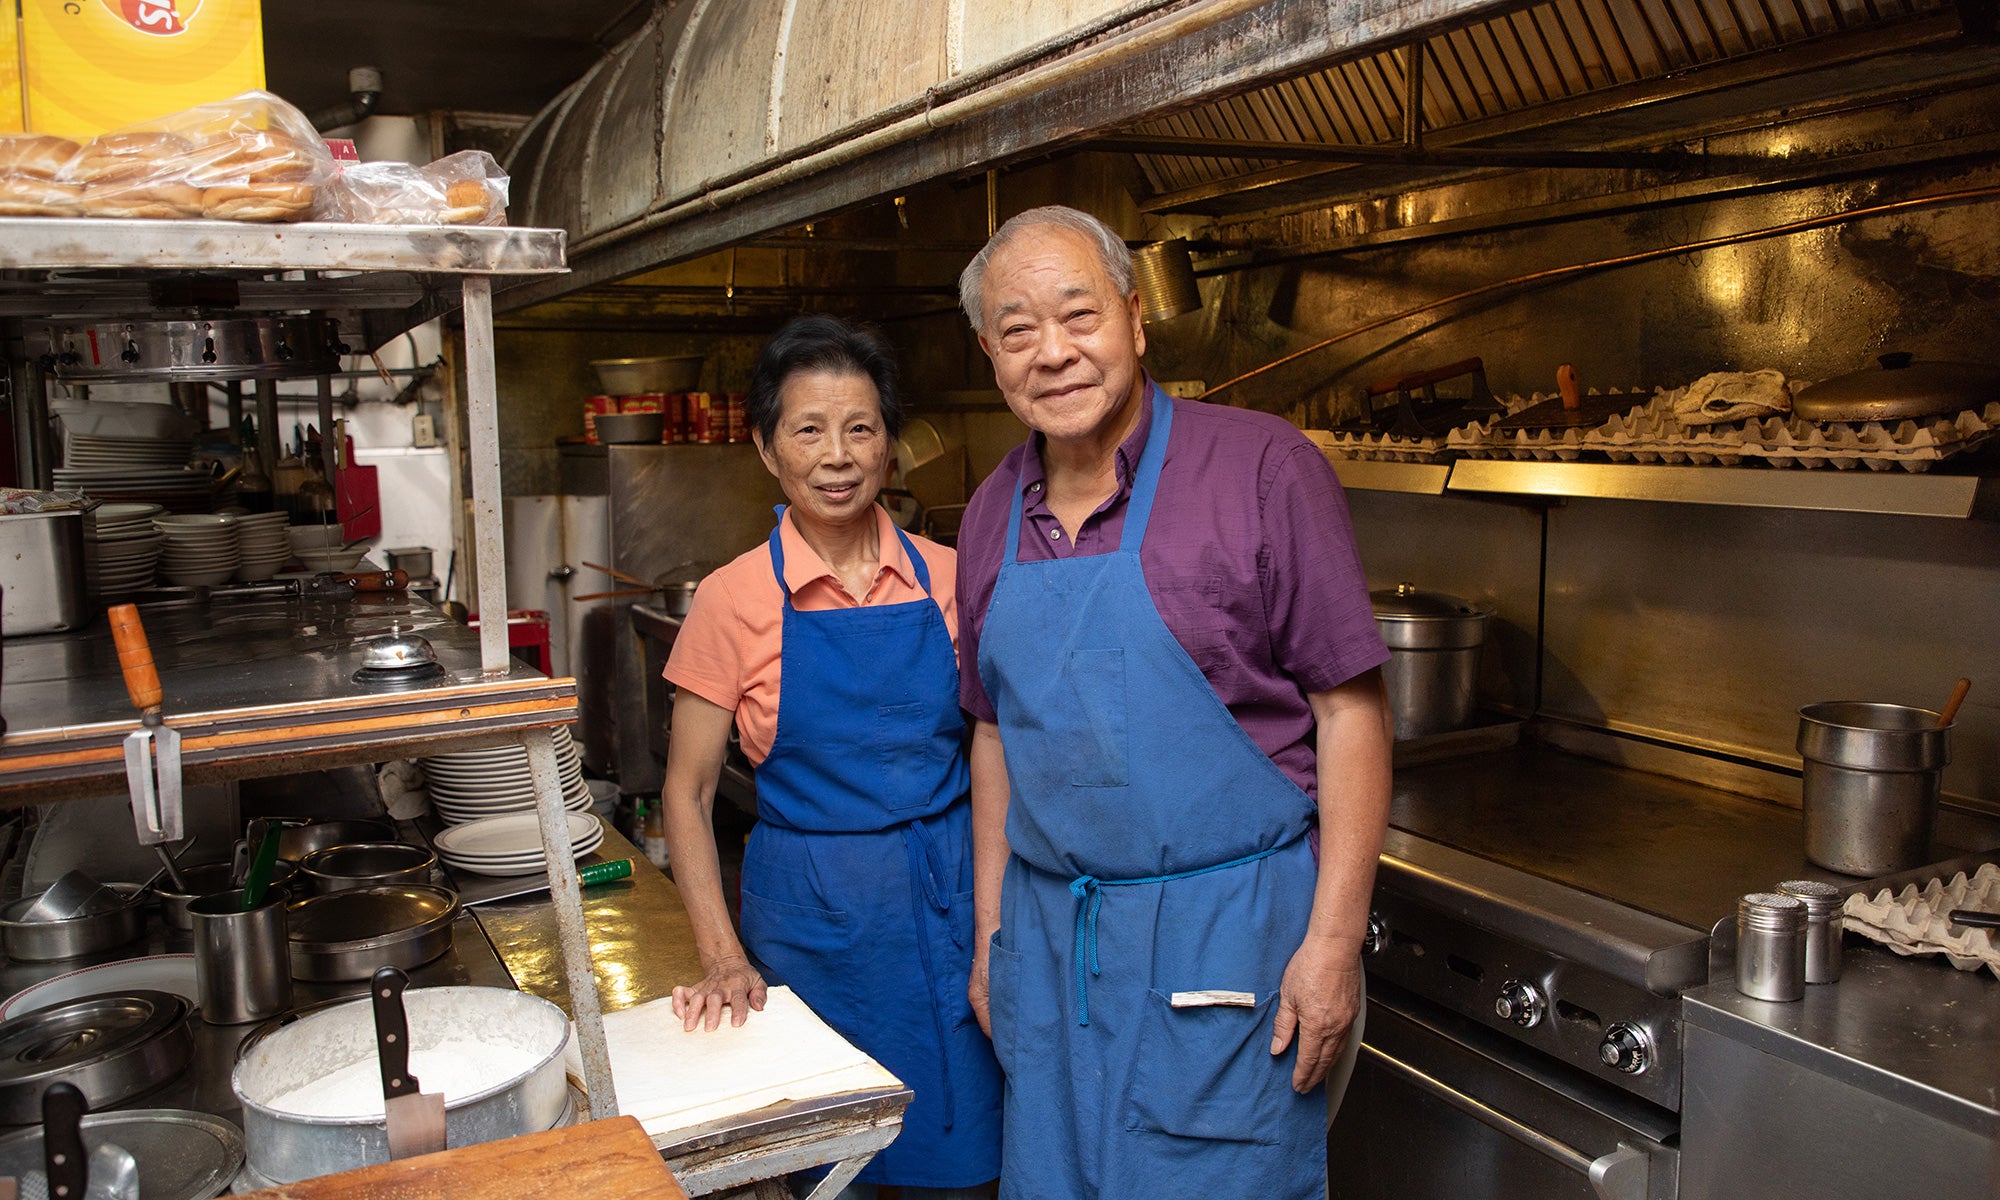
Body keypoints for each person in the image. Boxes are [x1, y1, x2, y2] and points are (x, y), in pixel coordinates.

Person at [954, 206, 1394, 1200]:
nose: (1054, 353)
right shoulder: (988, 513)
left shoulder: (1261, 470)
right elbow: (991, 732)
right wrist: (992, 939)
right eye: (1018, 330)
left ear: (1135, 319)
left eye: (1079, 315)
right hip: (1053, 951)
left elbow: (1350, 716)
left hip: (1227, 949)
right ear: (990, 353)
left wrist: (1330, 947)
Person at [660, 315, 1001, 1199]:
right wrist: (721, 954)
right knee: (821, 1170)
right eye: (808, 429)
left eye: (860, 428)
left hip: (947, 906)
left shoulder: (953, 576)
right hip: (809, 924)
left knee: (961, 1164)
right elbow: (687, 793)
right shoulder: (730, 600)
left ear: (890, 444)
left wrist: (998, 928)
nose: (837, 455)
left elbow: (999, 752)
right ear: (769, 450)